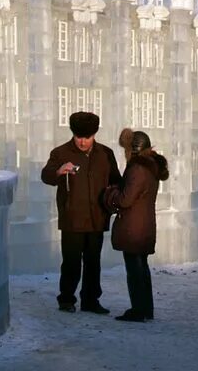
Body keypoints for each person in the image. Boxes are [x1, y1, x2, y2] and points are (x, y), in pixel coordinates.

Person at [41, 111, 122, 314]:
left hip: (97, 217)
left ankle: (91, 300)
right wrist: (59, 171)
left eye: (87, 137)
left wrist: (114, 200)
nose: (83, 142)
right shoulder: (60, 153)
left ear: (94, 134)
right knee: (71, 261)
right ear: (73, 133)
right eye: (79, 137)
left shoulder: (105, 154)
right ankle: (67, 299)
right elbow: (46, 176)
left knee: (93, 262)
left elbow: (116, 180)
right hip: (72, 218)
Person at [102, 128, 169, 322]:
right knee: (142, 268)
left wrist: (110, 193)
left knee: (134, 270)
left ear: (132, 149)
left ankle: (138, 310)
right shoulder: (151, 166)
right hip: (144, 225)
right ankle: (146, 309)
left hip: (133, 227)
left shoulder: (137, 168)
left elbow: (125, 199)